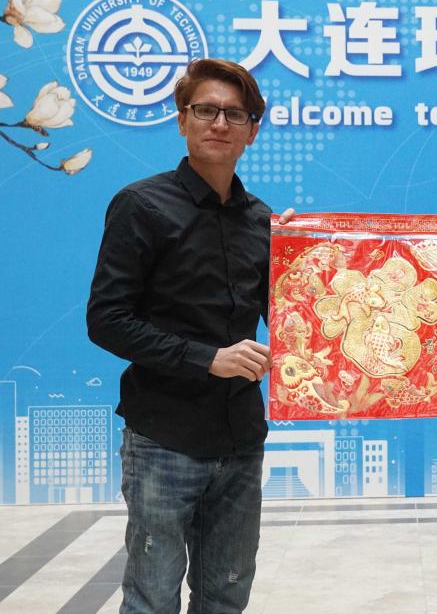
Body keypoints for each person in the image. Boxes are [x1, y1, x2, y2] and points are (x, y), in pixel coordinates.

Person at [87, 58, 292, 614]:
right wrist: (207, 358)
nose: (219, 123)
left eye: (235, 114)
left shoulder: (265, 222)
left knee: (227, 594)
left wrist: (307, 262)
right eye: (205, 110)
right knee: (152, 599)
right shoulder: (142, 206)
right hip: (164, 436)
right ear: (182, 120)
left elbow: (294, 320)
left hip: (241, 436)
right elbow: (106, 319)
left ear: (252, 131)